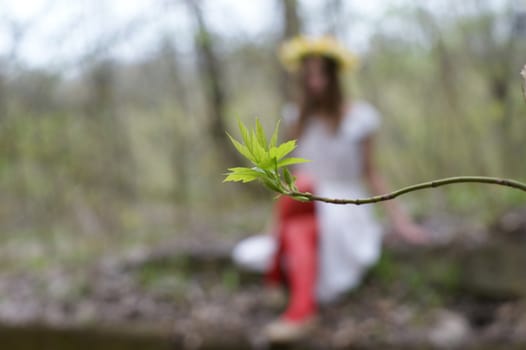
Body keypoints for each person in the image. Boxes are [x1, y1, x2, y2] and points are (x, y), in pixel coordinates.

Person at [232, 36, 428, 342]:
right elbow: (291, 177)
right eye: (309, 75)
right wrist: (273, 227)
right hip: (302, 200)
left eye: (321, 74)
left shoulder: (360, 117)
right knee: (303, 186)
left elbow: (371, 172)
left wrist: (401, 222)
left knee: (302, 212)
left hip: (345, 205)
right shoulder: (297, 118)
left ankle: (282, 287)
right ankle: (301, 312)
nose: (315, 82)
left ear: (335, 77)